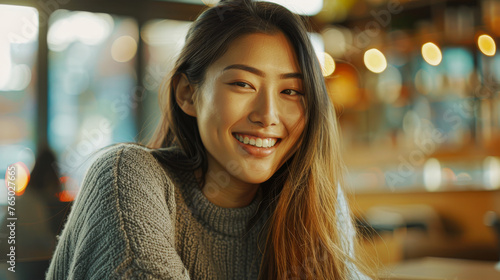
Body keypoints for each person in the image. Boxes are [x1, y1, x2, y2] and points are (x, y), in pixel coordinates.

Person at [46, 0, 373, 279]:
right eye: (243, 84)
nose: (268, 115)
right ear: (188, 94)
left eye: (291, 91)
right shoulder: (126, 176)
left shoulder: (314, 198)